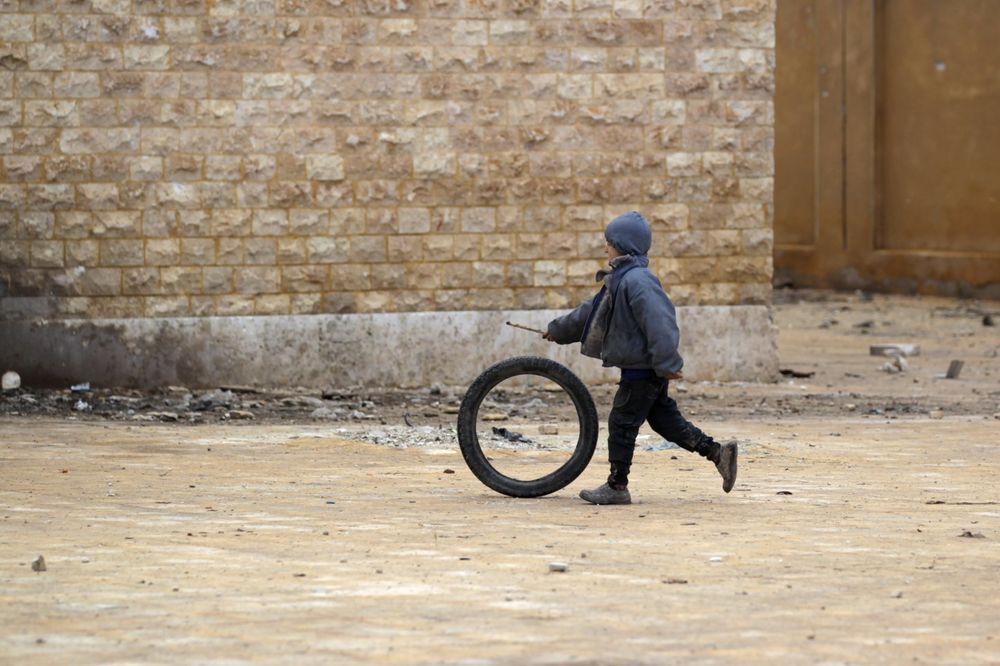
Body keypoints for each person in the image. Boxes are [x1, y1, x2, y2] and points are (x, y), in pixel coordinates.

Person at [542, 211, 737, 505]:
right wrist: (557, 330)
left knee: (622, 423)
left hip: (643, 369)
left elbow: (660, 323)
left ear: (621, 244)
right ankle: (718, 452)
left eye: (608, 242)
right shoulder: (619, 279)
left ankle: (617, 486)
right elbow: (588, 314)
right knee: (665, 421)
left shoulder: (638, 281)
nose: (605, 247)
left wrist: (668, 364)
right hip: (641, 368)